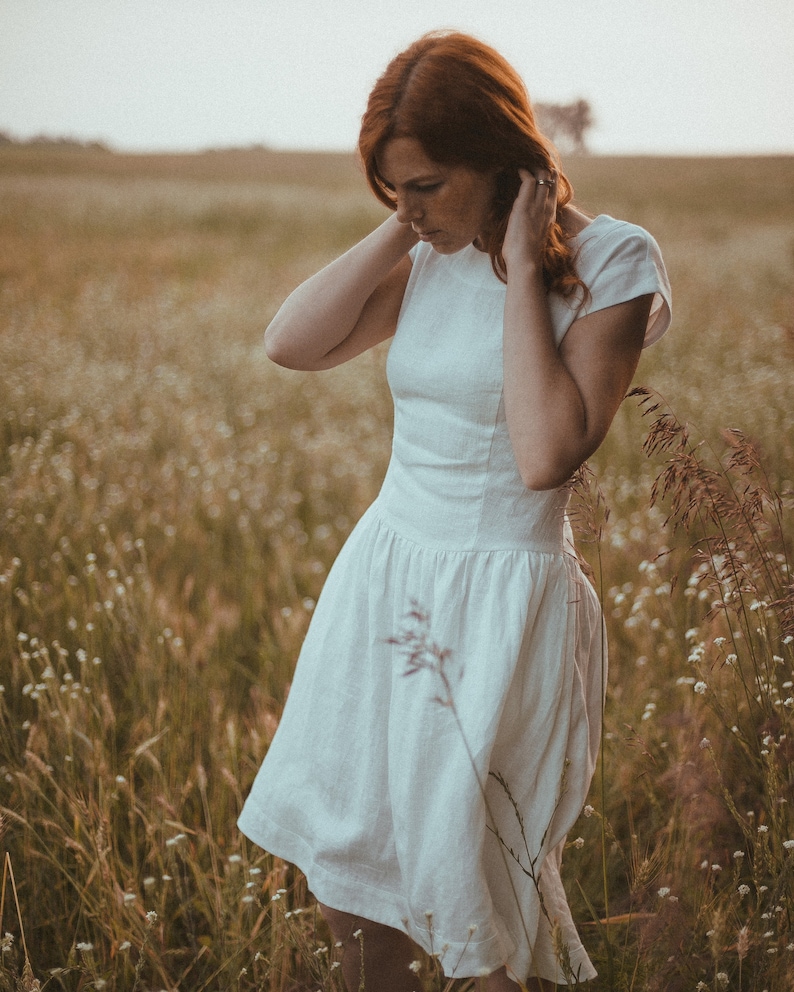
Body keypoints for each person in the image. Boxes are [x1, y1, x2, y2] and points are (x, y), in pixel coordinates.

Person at [238, 30, 671, 991]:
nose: (409, 207)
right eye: (393, 187)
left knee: (478, 905)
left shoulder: (614, 262)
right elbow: (290, 344)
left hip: (500, 607)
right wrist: (410, 224)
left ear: (499, 156)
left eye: (427, 183)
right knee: (355, 886)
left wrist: (520, 261)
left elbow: (544, 452)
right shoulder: (426, 250)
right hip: (386, 579)